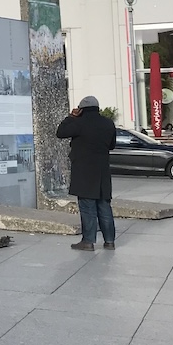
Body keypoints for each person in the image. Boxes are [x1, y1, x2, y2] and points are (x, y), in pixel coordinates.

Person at [56, 95, 117, 251]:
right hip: (103, 170)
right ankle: (109, 241)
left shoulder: (79, 123)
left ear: (81, 109)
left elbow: (60, 132)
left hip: (84, 171)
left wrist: (71, 117)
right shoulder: (108, 123)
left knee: (87, 207)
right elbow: (112, 145)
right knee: (104, 206)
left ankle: (88, 242)